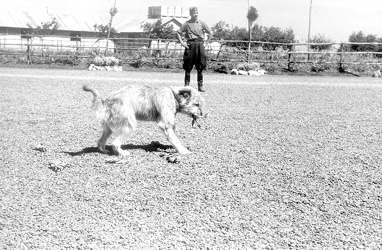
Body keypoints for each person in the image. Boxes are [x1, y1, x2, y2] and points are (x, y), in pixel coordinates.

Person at [176, 6, 212, 92]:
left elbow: (210, 32)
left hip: (200, 44)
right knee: (188, 65)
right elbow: (178, 32)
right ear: (190, 14)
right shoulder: (187, 24)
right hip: (190, 45)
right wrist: (182, 43)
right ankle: (186, 85)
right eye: (193, 13)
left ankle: (200, 86)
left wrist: (206, 43)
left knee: (201, 64)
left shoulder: (202, 23)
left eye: (196, 13)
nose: (195, 15)